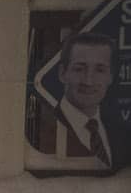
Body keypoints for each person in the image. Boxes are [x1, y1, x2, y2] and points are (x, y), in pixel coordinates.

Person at [51, 31, 128, 169]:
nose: (88, 81)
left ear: (111, 76)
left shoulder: (121, 132)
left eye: (100, 70)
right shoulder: (48, 127)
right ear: (62, 73)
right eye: (79, 69)